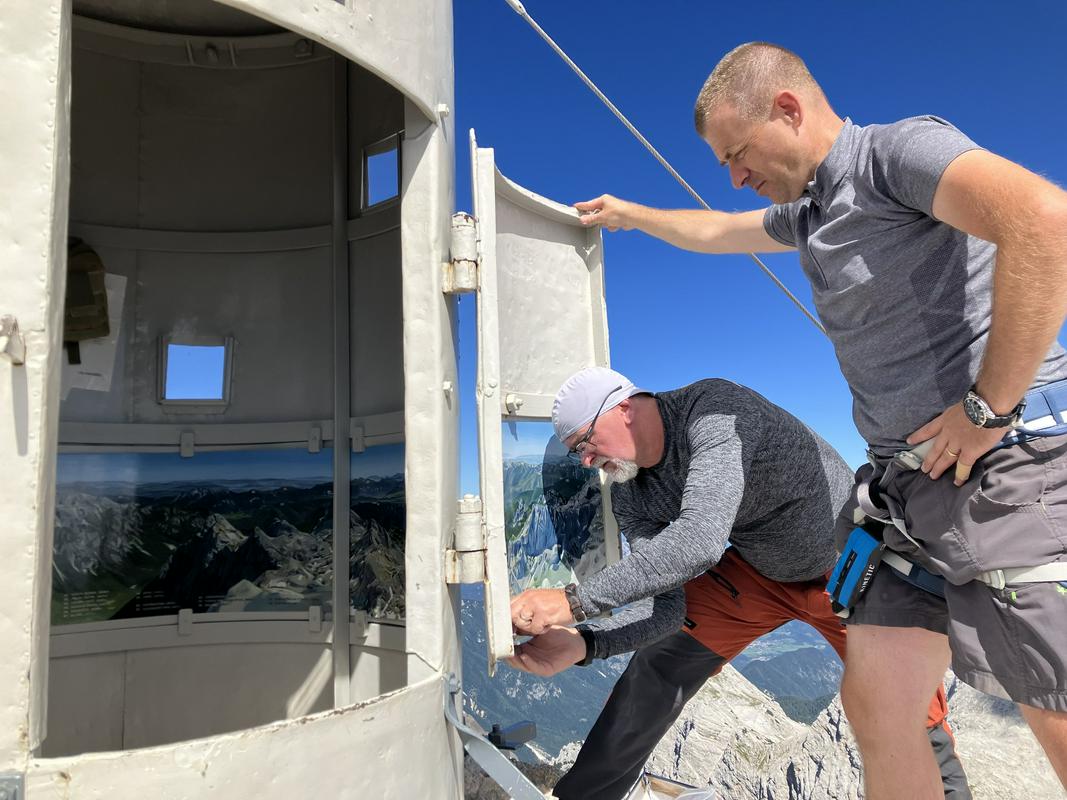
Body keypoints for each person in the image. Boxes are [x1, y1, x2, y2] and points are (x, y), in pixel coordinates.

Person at [569, 43, 1067, 798]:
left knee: (1051, 703)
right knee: (877, 705)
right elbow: (715, 230)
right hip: (904, 493)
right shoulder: (808, 216)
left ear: (788, 109)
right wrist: (629, 214)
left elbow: (1043, 221)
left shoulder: (894, 154)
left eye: (737, 154)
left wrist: (986, 408)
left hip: (1001, 469)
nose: (735, 177)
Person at [507, 366, 967, 799]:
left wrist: (573, 601)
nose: (587, 460)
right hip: (759, 570)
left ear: (623, 408)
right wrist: (587, 643)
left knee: (909, 705)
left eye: (585, 442)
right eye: (577, 453)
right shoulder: (630, 497)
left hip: (847, 562)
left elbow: (701, 539)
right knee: (659, 665)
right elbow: (667, 609)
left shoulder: (713, 410)